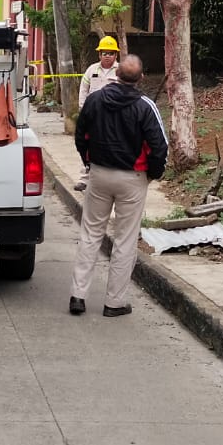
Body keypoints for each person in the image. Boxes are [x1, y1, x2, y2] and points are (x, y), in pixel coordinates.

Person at [69, 54, 168, 318]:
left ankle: (78, 296)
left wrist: (88, 162)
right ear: (141, 78)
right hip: (133, 179)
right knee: (124, 239)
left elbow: (81, 135)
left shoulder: (95, 100)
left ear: (116, 74)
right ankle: (114, 303)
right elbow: (160, 147)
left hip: (99, 173)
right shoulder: (145, 106)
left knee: (91, 234)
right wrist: (152, 175)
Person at [75, 37, 122, 191]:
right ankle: (84, 179)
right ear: (99, 54)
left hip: (113, 118)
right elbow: (83, 90)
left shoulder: (120, 71)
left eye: (111, 53)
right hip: (92, 117)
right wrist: (83, 110)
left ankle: (107, 181)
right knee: (88, 148)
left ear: (116, 55)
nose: (107, 56)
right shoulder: (91, 70)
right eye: (104, 53)